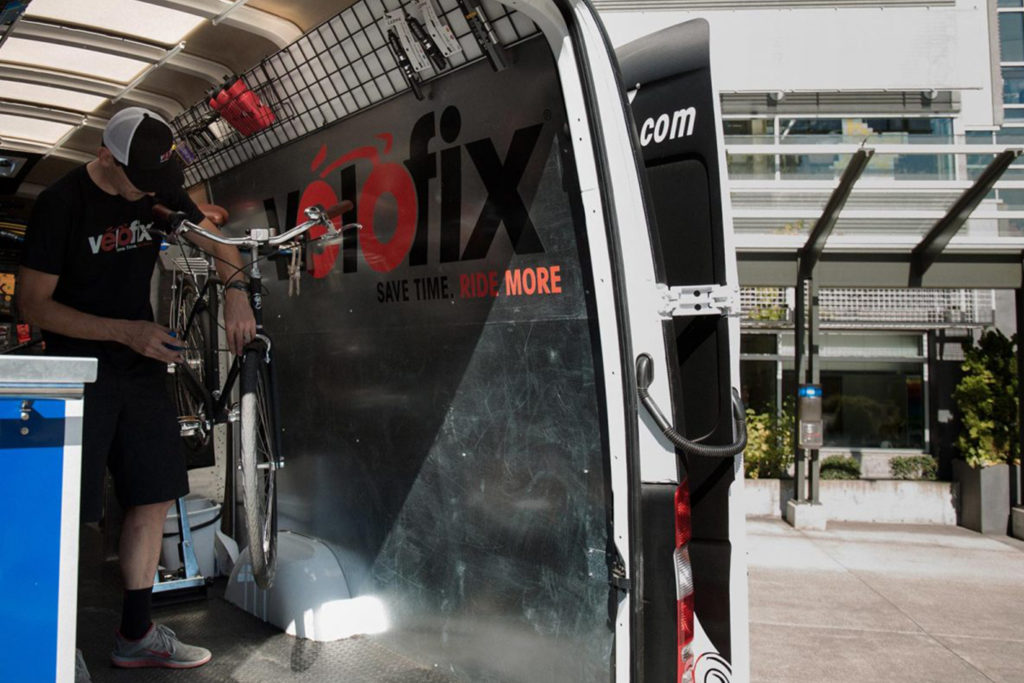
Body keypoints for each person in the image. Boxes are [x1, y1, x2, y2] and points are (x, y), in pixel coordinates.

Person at [17, 107, 257, 676]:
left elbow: (215, 241)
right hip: (78, 371)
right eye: (140, 180)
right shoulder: (60, 205)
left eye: (160, 180)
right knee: (75, 514)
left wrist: (235, 292)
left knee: (151, 495)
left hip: (142, 366)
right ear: (105, 156)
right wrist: (126, 331)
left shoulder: (159, 191)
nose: (151, 193)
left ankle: (135, 633)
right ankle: (57, 644)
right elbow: (31, 305)